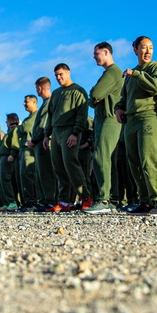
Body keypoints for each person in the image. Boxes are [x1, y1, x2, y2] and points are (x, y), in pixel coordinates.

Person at [114, 36, 157, 216]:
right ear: (135, 49)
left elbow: (156, 88)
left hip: (149, 116)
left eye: (151, 47)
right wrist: (119, 108)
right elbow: (124, 97)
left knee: (148, 159)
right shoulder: (130, 74)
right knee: (134, 161)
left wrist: (136, 74)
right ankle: (144, 201)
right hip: (131, 120)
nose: (148, 51)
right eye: (143, 47)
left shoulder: (156, 68)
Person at [45, 63, 90, 211]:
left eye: (61, 74)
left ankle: (85, 197)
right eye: (56, 75)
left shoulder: (78, 91)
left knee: (71, 164)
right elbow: (50, 116)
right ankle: (64, 201)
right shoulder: (56, 94)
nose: (58, 77)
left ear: (68, 73)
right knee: (58, 166)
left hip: (70, 130)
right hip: (56, 132)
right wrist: (47, 135)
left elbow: (82, 115)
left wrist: (76, 133)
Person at [87, 42, 124, 214]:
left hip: (109, 119)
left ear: (106, 52)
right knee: (108, 159)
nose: (94, 57)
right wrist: (94, 99)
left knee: (102, 157)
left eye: (97, 53)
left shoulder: (112, 72)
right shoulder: (109, 73)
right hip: (105, 119)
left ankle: (103, 198)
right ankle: (111, 198)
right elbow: (93, 98)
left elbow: (94, 94)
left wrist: (94, 97)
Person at [26, 77, 58, 211]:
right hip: (40, 143)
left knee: (46, 173)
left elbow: (43, 124)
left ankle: (50, 200)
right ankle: (45, 199)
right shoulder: (46, 103)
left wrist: (34, 140)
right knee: (42, 173)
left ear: (39, 88)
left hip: (43, 143)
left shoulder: (48, 103)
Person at [0, 113, 22, 211]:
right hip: (1, 156)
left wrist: (12, 154)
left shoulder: (15, 130)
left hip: (6, 157)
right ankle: (6, 202)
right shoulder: (9, 131)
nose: (6, 122)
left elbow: (15, 143)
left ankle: (12, 202)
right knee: (0, 180)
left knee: (5, 179)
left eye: (7, 120)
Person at [18, 95, 39, 210]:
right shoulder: (29, 117)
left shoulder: (36, 115)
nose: (24, 104)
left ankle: (31, 201)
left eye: (26, 102)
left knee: (28, 175)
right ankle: (27, 201)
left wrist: (21, 127)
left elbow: (24, 128)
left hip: (29, 149)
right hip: (24, 149)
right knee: (24, 176)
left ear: (34, 102)